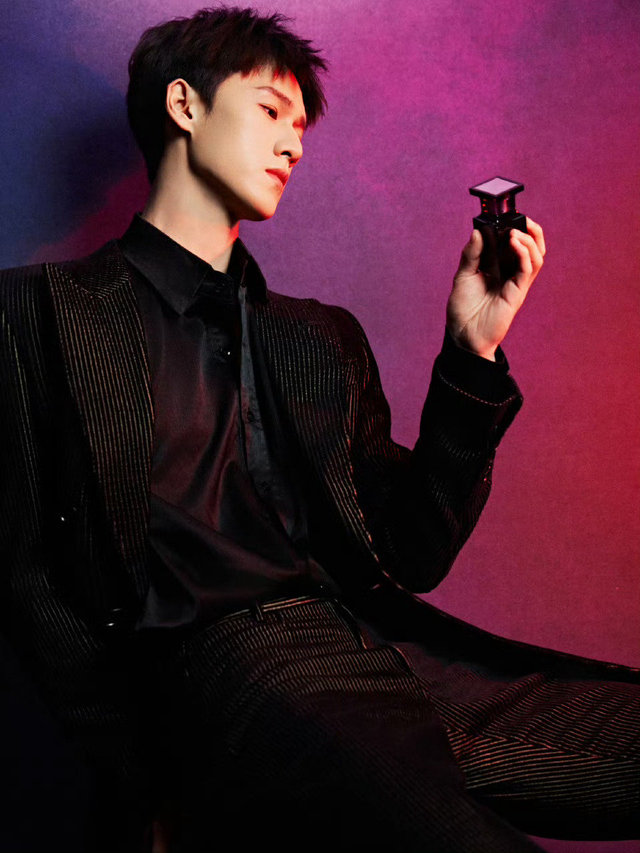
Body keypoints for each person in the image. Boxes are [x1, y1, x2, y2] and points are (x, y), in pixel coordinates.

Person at [0, 6, 638, 852]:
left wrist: (471, 352)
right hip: (235, 675)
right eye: (271, 111)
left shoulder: (320, 337)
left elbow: (413, 551)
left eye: (302, 126)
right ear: (185, 105)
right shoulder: (36, 314)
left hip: (394, 654)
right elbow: (29, 579)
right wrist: (144, 779)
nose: (294, 145)